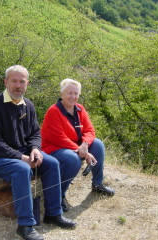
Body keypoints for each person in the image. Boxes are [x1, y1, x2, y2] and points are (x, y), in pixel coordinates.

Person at [0, 66, 76, 240]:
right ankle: (25, 226)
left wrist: (35, 149)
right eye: (14, 81)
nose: (18, 85)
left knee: (52, 163)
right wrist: (21, 157)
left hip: (23, 153)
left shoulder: (28, 106)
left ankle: (53, 214)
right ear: (6, 82)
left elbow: (35, 133)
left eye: (22, 81)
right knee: (22, 169)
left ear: (27, 84)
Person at [41, 78, 115, 212]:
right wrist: (82, 151)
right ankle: (59, 196)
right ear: (62, 93)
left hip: (76, 146)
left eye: (76, 93)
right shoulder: (54, 111)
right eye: (69, 93)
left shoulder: (80, 109)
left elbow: (89, 130)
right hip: (54, 148)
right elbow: (59, 138)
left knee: (98, 144)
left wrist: (85, 144)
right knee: (72, 159)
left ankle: (98, 184)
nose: (73, 96)